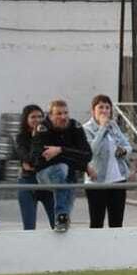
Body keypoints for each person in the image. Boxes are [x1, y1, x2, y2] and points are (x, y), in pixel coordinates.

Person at [33, 99, 92, 233]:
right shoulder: (42, 128)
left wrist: (60, 150)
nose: (63, 117)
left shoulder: (75, 127)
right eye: (59, 114)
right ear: (50, 116)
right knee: (62, 168)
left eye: (66, 113)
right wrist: (73, 157)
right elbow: (38, 158)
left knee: (64, 220)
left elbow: (87, 155)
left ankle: (61, 222)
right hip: (44, 174)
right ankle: (61, 215)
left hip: (68, 178)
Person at [83, 94, 135, 228]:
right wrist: (102, 128)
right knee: (96, 222)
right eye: (101, 107)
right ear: (93, 110)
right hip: (97, 181)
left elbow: (128, 146)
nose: (104, 111)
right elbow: (91, 151)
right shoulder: (86, 128)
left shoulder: (113, 125)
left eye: (107, 107)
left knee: (117, 222)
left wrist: (123, 151)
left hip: (118, 179)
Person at [13, 104, 56, 230]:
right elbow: (29, 159)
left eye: (40, 116)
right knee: (29, 227)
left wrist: (36, 163)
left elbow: (56, 158)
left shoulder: (51, 135)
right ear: (26, 119)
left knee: (58, 223)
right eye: (33, 117)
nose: (37, 120)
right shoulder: (20, 138)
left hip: (48, 182)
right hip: (28, 182)